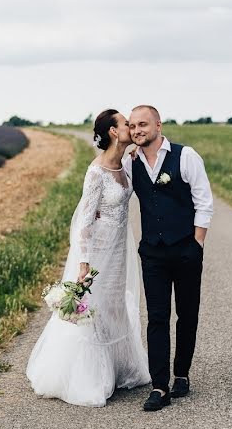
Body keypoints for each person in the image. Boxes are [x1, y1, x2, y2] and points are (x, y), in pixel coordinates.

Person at [25, 109, 150, 407]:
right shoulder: (96, 172)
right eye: (125, 123)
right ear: (111, 131)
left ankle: (120, 369)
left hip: (120, 247)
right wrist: (83, 261)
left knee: (115, 302)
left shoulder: (126, 163)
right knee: (94, 306)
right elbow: (84, 219)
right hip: (98, 249)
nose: (131, 127)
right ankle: (92, 376)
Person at [124, 104, 214, 411]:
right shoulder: (130, 161)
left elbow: (204, 202)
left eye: (143, 124)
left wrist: (197, 244)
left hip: (186, 249)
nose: (137, 130)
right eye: (133, 125)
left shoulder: (185, 156)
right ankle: (159, 386)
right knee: (157, 318)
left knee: (187, 314)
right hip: (152, 252)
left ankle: (182, 374)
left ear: (158, 125)